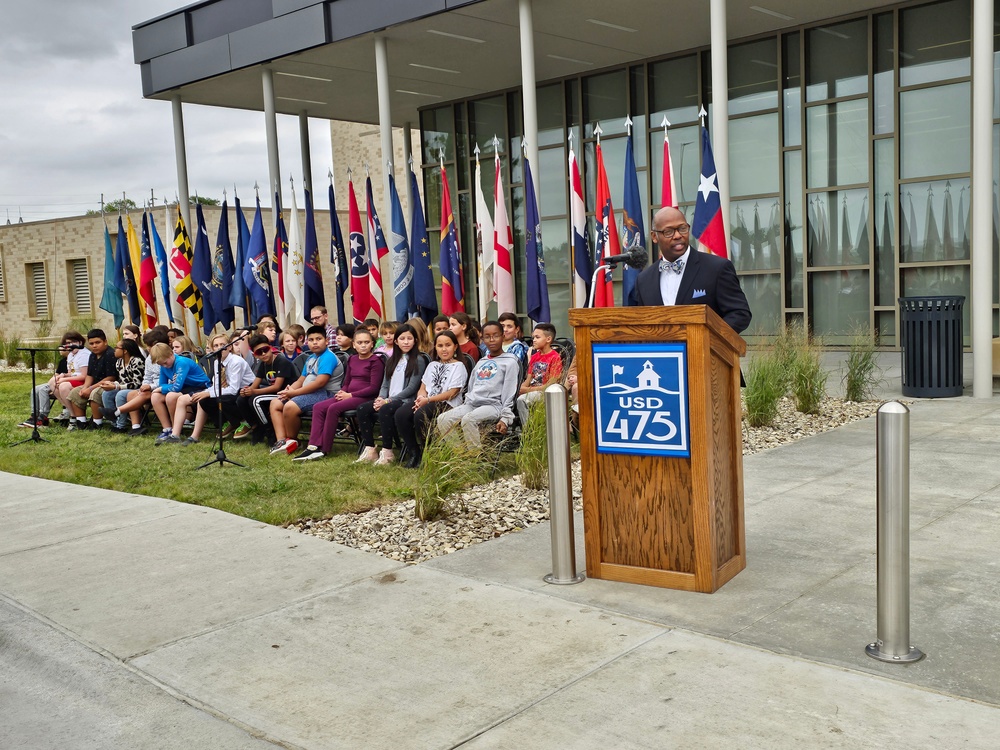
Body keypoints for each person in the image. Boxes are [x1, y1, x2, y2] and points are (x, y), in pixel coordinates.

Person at [635, 206, 752, 334]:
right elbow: (640, 324)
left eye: (682, 229)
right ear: (654, 236)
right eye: (669, 232)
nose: (678, 235)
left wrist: (708, 339)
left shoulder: (717, 268)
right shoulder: (644, 280)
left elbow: (739, 314)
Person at [290, 327, 384, 461]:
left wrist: (350, 395)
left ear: (372, 344)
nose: (363, 345)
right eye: (360, 342)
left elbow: (374, 388)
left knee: (333, 408)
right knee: (319, 407)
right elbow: (348, 380)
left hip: (364, 397)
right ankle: (313, 446)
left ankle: (324, 448)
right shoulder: (352, 359)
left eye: (366, 342)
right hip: (348, 395)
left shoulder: (375, 361)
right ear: (354, 344)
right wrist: (344, 391)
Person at [436, 321, 520, 448]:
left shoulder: (510, 362)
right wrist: (467, 402)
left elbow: (510, 392)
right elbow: (471, 386)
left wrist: (505, 417)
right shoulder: (482, 362)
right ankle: (459, 455)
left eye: (496, 336)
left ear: (503, 336)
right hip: (472, 404)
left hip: (493, 405)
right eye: (487, 336)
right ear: (482, 339)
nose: (492, 340)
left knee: (468, 420)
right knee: (443, 419)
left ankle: (475, 457)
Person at [354, 323, 427, 465]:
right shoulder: (392, 360)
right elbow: (385, 384)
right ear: (396, 341)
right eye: (402, 338)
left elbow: (412, 388)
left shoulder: (418, 360)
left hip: (404, 400)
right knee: (362, 409)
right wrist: (381, 397)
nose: (406, 342)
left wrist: (388, 401)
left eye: (409, 338)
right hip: (388, 398)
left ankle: (387, 451)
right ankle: (370, 449)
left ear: (415, 340)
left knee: (385, 410)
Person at [268, 325, 344, 455]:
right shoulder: (311, 358)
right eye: (311, 340)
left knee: (290, 406)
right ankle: (281, 441)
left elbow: (320, 383)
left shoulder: (328, 357)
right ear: (306, 342)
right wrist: (289, 390)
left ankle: (292, 440)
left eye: (319, 339)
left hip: (327, 394)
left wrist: (294, 393)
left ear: (326, 341)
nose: (315, 342)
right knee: (275, 402)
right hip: (310, 393)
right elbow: (301, 380)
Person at [397, 330, 467, 468]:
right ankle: (414, 452)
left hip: (447, 403)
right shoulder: (432, 365)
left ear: (455, 347)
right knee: (401, 414)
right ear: (435, 347)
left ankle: (429, 453)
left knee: (420, 415)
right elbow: (423, 386)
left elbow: (452, 393)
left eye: (448, 345)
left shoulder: (459, 366)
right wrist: (421, 398)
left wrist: (427, 401)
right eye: (440, 346)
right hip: (426, 401)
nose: (444, 349)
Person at [183, 333, 256, 445]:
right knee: (204, 401)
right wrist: (204, 393)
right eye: (216, 345)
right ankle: (229, 422)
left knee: (220, 399)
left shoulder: (236, 361)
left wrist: (209, 394)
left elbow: (233, 389)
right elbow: (217, 385)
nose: (219, 348)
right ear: (212, 349)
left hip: (245, 392)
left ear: (230, 346)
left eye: (223, 344)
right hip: (229, 392)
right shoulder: (217, 361)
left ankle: (242, 421)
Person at [233, 334, 298, 443]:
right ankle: (256, 427)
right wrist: (246, 391)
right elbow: (255, 384)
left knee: (255, 400)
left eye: (265, 350)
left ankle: (269, 430)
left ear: (270, 347)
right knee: (241, 399)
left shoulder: (282, 362)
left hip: (285, 393)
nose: (263, 354)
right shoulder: (263, 365)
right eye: (259, 352)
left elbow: (276, 387)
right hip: (274, 393)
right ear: (255, 354)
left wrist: (253, 391)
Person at [148, 342, 212, 444]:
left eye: (165, 363)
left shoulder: (181, 362)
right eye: (161, 364)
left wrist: (162, 389)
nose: (164, 366)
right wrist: (161, 389)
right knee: (155, 396)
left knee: (170, 396)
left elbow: (176, 387)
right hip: (185, 387)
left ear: (171, 354)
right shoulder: (164, 366)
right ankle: (167, 429)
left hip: (199, 386)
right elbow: (162, 384)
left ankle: (176, 429)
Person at [119, 328, 170, 436]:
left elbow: (168, 380)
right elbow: (147, 376)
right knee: (131, 394)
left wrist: (150, 387)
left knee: (146, 393)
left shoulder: (168, 358)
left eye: (149, 346)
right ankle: (136, 426)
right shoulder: (149, 359)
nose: (147, 348)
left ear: (157, 345)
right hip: (152, 387)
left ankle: (118, 411)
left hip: (165, 388)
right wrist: (144, 386)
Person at [515, 322, 563, 427]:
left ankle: (528, 430)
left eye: (537, 337)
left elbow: (550, 386)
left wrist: (527, 390)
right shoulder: (535, 357)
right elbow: (528, 379)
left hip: (544, 393)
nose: (534, 340)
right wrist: (521, 388)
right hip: (532, 391)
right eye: (533, 337)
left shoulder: (555, 357)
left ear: (548, 339)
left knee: (521, 400)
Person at [67, 329, 117, 431]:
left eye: (98, 342)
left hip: (109, 384)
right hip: (94, 384)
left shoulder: (110, 354)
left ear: (105, 342)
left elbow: (111, 377)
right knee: (75, 392)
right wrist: (85, 387)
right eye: (91, 343)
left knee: (95, 393)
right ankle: (81, 422)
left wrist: (90, 389)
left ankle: (97, 423)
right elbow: (90, 375)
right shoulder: (92, 355)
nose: (94, 346)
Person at [100, 338, 146, 432]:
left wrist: (117, 386)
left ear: (125, 351)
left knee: (121, 394)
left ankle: (121, 425)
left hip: (139, 389)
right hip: (125, 388)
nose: (114, 350)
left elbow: (137, 383)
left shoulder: (137, 361)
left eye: (117, 347)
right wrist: (112, 384)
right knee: (107, 393)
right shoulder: (119, 362)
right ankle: (114, 422)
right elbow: (122, 381)